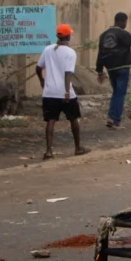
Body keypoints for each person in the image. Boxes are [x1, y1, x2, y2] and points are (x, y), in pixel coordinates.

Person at [37, 24, 90, 160]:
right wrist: (67, 91)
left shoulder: (47, 49)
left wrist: (42, 81)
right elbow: (68, 73)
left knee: (51, 121)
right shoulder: (70, 52)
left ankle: (49, 151)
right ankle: (77, 148)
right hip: (65, 92)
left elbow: (38, 68)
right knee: (73, 119)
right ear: (68, 36)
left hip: (49, 92)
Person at [95, 12, 131, 129]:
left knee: (116, 93)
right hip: (122, 68)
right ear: (123, 21)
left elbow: (100, 54)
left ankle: (110, 117)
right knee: (120, 94)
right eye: (125, 22)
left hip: (110, 68)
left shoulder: (104, 35)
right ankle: (115, 121)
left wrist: (99, 71)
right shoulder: (122, 33)